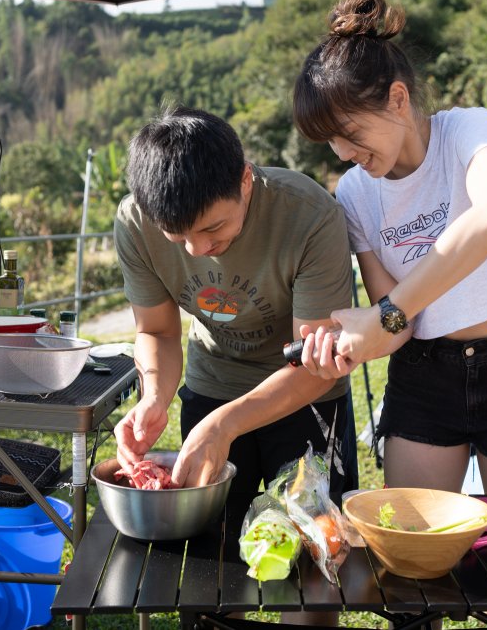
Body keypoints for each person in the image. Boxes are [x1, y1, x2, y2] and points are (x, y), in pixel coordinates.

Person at [291, 0, 487, 500]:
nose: (343, 153)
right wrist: (362, 337)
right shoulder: (356, 191)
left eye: (351, 132)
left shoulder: (472, 130)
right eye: (331, 143)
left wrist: (387, 314)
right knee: (414, 548)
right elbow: (398, 326)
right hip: (425, 375)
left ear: (398, 99)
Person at [112, 106, 358, 510]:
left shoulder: (309, 217)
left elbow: (316, 361)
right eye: (177, 237)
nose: (197, 250)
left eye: (212, 229)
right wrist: (154, 397)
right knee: (213, 542)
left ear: (245, 180)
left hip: (303, 396)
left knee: (314, 540)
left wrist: (226, 424)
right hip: (212, 386)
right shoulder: (136, 222)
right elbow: (156, 331)